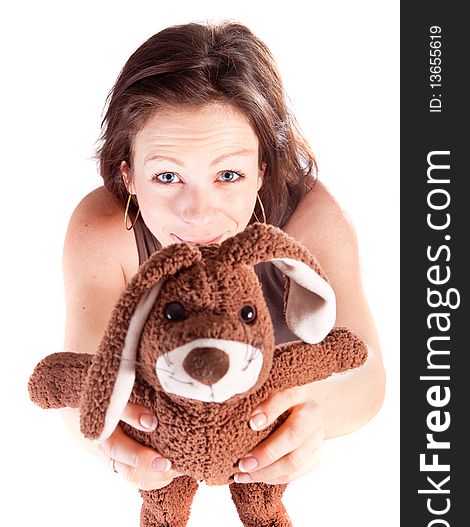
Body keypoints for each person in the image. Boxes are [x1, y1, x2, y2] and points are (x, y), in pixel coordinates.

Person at [61, 20, 386, 491]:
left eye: (228, 176)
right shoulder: (104, 227)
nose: (198, 213)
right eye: (167, 177)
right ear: (128, 175)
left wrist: (313, 412)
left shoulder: (309, 219)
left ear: (262, 170)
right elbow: (81, 375)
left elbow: (366, 374)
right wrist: (109, 439)